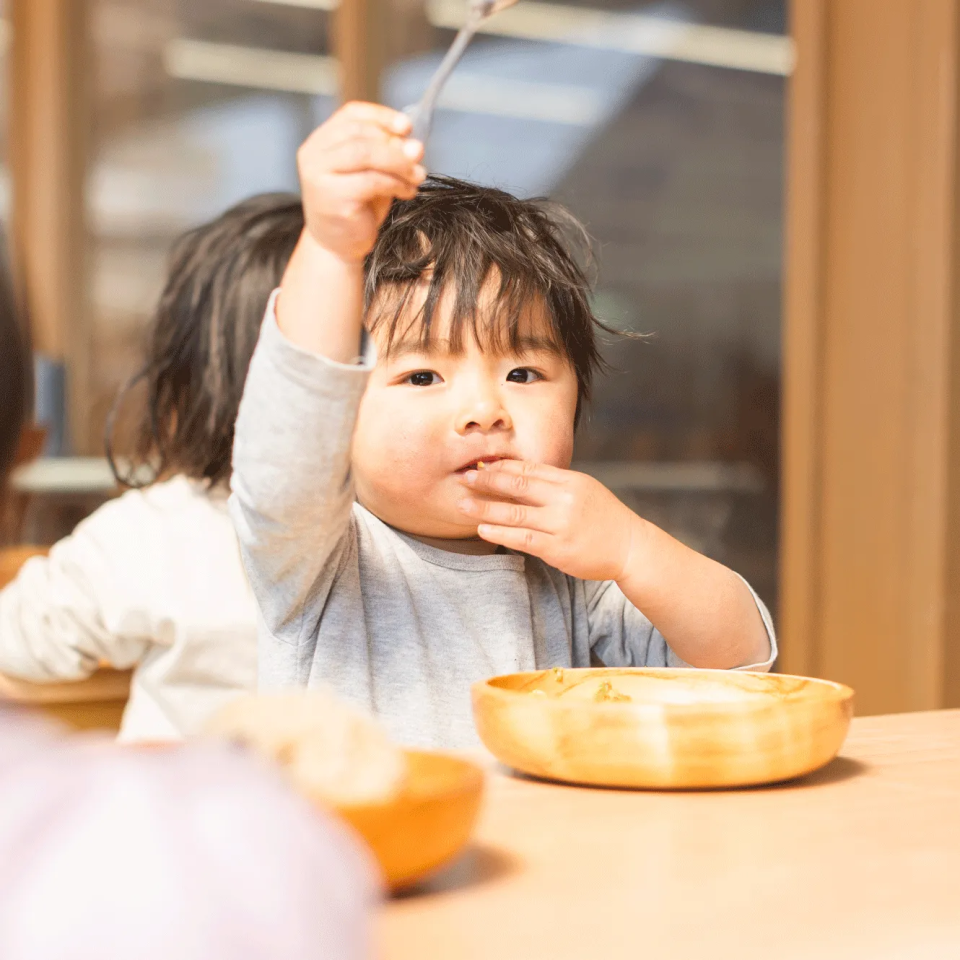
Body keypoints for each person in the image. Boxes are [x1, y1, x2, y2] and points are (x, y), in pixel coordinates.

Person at [230, 102, 777, 749]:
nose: (485, 410)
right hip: (366, 851)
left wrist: (633, 552)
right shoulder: (315, 557)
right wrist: (328, 247)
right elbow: (289, 439)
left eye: (522, 374)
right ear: (337, 414)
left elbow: (739, 668)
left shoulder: (569, 565)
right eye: (422, 377)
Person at [0, 194, 304, 742]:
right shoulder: (410, 535)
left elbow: (18, 637)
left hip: (173, 816)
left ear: (186, 380)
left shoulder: (154, 529)